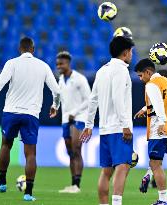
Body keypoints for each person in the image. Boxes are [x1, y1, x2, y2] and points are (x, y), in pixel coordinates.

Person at [0, 37, 60, 201]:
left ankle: (2, 182)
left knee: (6, 145)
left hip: (11, 112)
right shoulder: (43, 66)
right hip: (31, 114)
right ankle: (28, 193)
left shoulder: (12, 63)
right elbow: (57, 91)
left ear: (19, 49)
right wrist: (55, 106)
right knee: (30, 154)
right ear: (33, 49)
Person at [80, 36, 134, 205]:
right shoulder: (121, 70)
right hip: (119, 128)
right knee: (123, 166)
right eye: (131, 51)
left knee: (106, 171)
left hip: (104, 129)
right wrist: (125, 125)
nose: (132, 54)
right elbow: (118, 99)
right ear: (125, 53)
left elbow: (93, 100)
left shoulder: (102, 70)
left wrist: (89, 125)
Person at [134, 58, 167, 205]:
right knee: (156, 162)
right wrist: (144, 109)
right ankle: (151, 179)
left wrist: (161, 122)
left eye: (141, 75)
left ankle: (163, 199)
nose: (141, 79)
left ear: (148, 72)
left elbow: (159, 104)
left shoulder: (151, 84)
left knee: (156, 165)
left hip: (160, 129)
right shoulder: (166, 81)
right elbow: (164, 101)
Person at [56, 51, 91, 193]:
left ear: (68, 64)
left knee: (77, 149)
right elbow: (60, 99)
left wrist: (74, 113)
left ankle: (77, 184)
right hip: (65, 119)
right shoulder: (60, 80)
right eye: (57, 64)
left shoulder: (79, 78)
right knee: (70, 151)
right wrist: (55, 106)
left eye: (61, 63)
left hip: (79, 118)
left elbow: (89, 99)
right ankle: (72, 184)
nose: (59, 66)